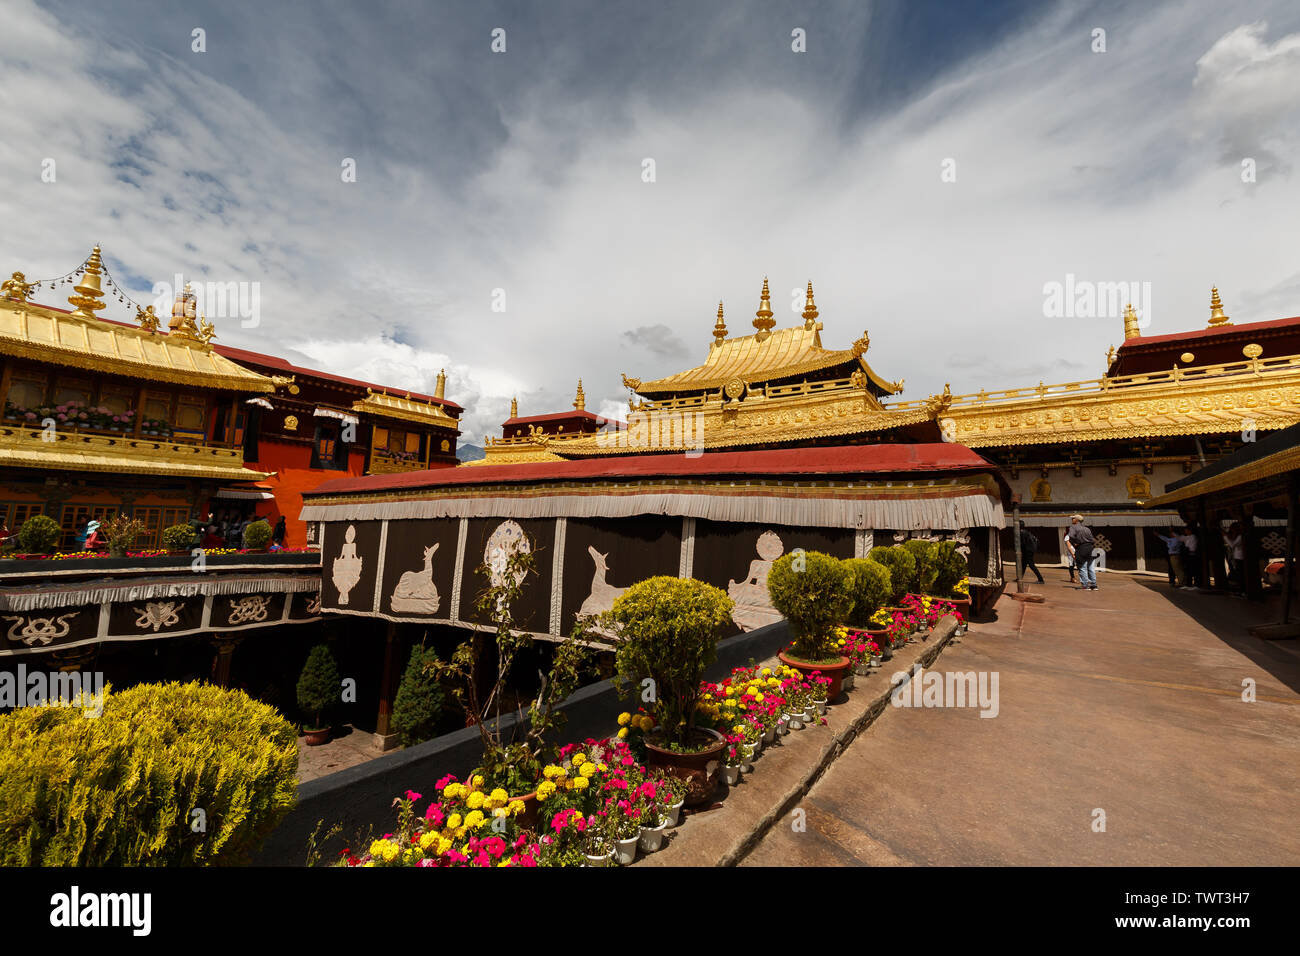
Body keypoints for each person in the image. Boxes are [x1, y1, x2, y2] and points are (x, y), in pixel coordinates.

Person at [1068, 514, 1098, 590]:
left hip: (1081, 548)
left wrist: (1075, 543)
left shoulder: (1073, 527)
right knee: (1091, 568)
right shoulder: (1087, 529)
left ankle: (1085, 585)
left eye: (1073, 518)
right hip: (1090, 548)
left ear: (1077, 520)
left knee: (1082, 568)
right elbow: (1092, 540)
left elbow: (1071, 537)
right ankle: (1094, 585)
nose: (1072, 520)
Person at [1223, 522, 1246, 595]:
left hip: (1240, 557)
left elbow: (1232, 545)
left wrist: (1225, 537)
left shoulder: (1240, 537)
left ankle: (1243, 590)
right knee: (1240, 574)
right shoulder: (1238, 536)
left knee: (1241, 574)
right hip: (1238, 557)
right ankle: (1242, 590)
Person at [1181, 524, 1200, 589]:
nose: (1185, 532)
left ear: (1190, 530)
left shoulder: (1193, 537)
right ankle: (1188, 584)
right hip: (1188, 555)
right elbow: (1180, 538)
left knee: (1193, 570)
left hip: (1192, 555)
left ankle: (1196, 584)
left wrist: (1187, 549)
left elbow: (1192, 548)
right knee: (1188, 570)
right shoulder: (1187, 537)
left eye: (1186, 530)